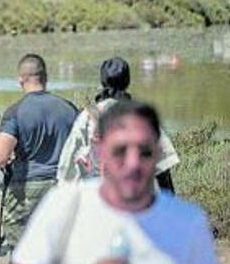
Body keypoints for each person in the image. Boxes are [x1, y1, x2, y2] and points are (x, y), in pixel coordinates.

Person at [5, 101, 225, 264]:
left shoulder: (187, 221)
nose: (133, 163)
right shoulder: (65, 204)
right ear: (100, 151)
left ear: (159, 154)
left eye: (144, 152)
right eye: (120, 150)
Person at [0, 54, 78, 250]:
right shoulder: (69, 108)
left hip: (27, 189)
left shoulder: (16, 111)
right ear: (45, 77)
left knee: (22, 250)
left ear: (21, 79)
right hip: (63, 187)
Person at [57, 57, 179, 190]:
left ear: (102, 82)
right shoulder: (140, 114)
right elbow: (163, 166)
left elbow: (68, 166)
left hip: (97, 195)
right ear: (128, 81)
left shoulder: (87, 116)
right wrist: (169, 201)